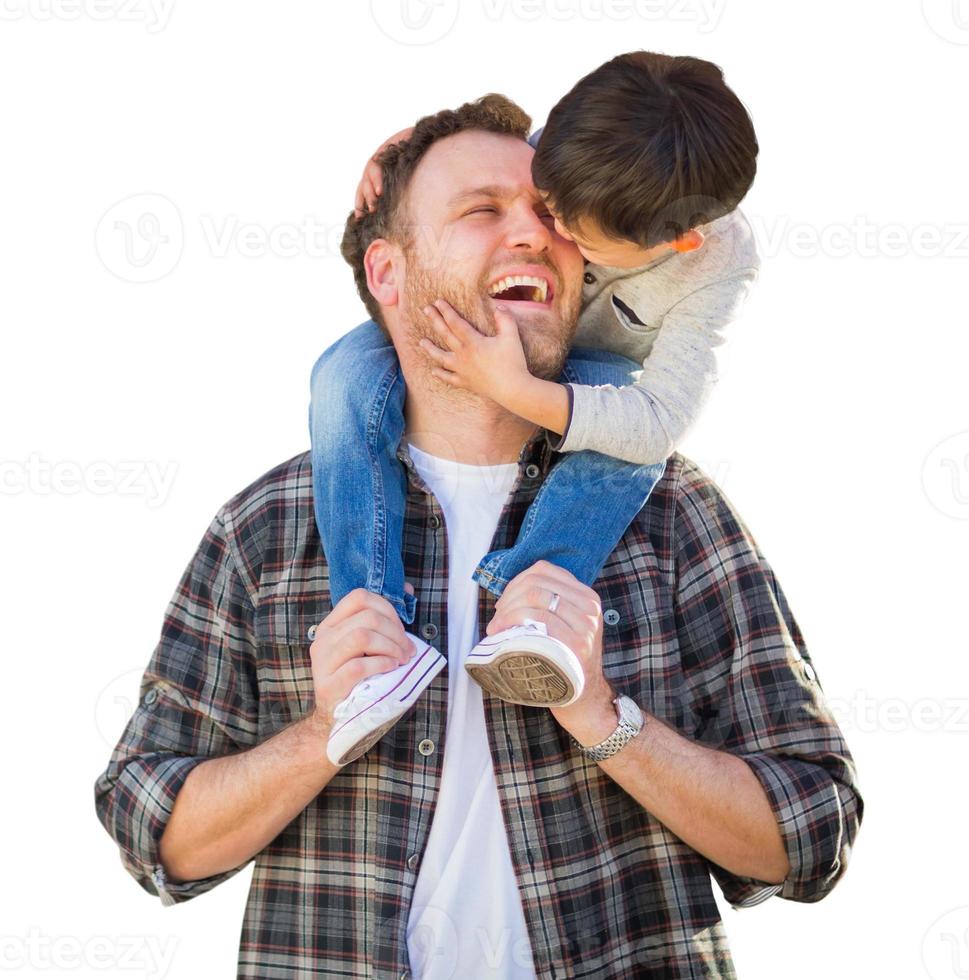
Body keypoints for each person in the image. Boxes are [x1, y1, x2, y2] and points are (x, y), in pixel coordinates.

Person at [94, 95, 861, 979]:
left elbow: (809, 833)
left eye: (547, 213)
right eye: (479, 211)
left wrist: (602, 716)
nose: (531, 234)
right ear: (387, 273)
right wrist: (322, 733)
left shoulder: (674, 512)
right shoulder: (263, 530)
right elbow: (152, 831)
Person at [310, 53, 762, 761]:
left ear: (675, 243)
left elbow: (656, 421)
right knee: (340, 372)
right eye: (544, 194)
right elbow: (477, 156)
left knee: (627, 439)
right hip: (489, 334)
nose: (540, 231)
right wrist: (398, 153)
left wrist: (518, 390)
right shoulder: (580, 141)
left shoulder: (713, 264)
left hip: (585, 382)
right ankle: (370, 624)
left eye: (568, 228)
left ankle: (537, 608)